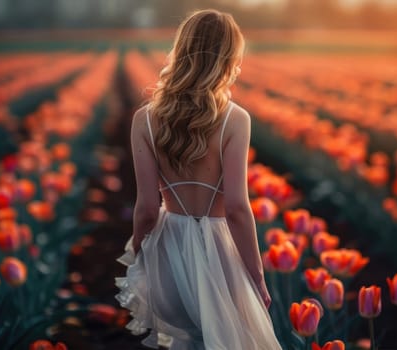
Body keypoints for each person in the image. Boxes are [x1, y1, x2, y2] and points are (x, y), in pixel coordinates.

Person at [115, 9, 282, 350]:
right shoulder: (236, 120)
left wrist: (139, 254)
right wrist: (257, 276)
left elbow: (147, 207)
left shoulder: (144, 120)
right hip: (219, 250)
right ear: (228, 58)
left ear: (182, 51)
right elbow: (236, 208)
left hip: (169, 244)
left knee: (182, 341)